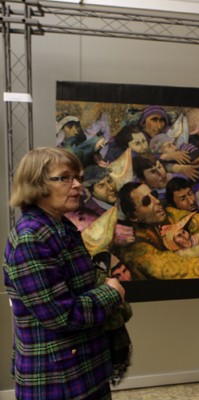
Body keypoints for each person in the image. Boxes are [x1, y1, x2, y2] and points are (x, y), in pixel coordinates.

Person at [3, 147, 125, 399]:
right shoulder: (31, 238)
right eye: (65, 178)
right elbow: (61, 315)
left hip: (80, 369)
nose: (78, 185)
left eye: (78, 177)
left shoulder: (59, 225)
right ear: (36, 184)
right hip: (58, 380)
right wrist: (111, 293)